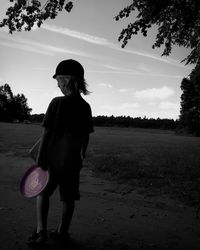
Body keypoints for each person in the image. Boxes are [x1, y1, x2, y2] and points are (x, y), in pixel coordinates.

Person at [28, 59, 94, 246]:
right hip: (72, 162)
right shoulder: (85, 107)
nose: (57, 84)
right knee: (68, 198)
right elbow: (85, 136)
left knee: (43, 193)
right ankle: (62, 232)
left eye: (58, 80)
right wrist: (82, 154)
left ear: (66, 80)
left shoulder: (57, 103)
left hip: (53, 161)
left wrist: (40, 156)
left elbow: (47, 131)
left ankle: (41, 231)